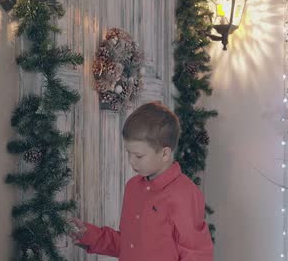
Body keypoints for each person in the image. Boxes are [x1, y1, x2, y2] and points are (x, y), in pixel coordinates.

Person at [68, 101, 213, 260]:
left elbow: (196, 254)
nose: (131, 161)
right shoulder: (133, 187)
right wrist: (91, 236)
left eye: (138, 156)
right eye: (128, 153)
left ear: (165, 154)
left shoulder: (184, 194)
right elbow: (128, 245)